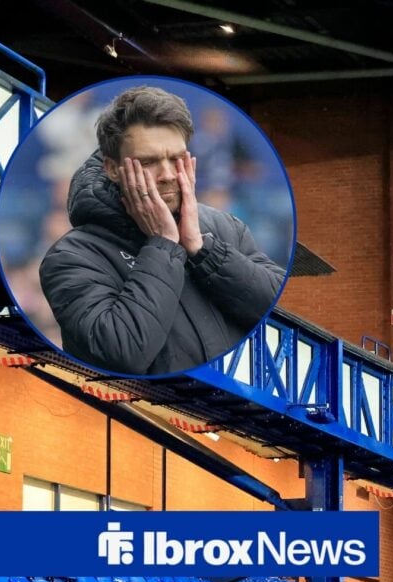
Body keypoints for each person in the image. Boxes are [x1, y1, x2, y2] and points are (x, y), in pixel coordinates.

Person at [39, 86, 286, 375]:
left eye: (176, 159)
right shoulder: (71, 256)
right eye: (148, 162)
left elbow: (280, 311)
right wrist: (163, 244)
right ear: (112, 168)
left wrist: (202, 249)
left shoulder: (225, 228)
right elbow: (121, 353)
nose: (168, 175)